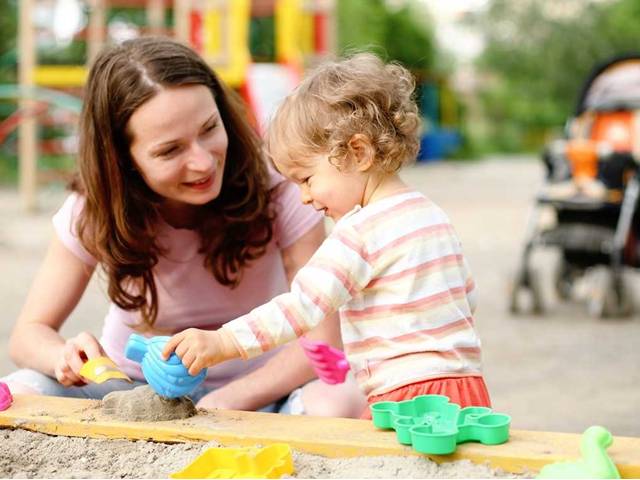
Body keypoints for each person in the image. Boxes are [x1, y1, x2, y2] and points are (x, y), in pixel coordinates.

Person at [2, 36, 366, 417]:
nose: (204, 163)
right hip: (129, 389)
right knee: (20, 389)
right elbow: (29, 333)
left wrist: (224, 402)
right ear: (123, 161)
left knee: (341, 398)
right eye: (170, 150)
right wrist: (63, 355)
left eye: (209, 128)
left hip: (259, 389)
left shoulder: (282, 187)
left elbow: (322, 343)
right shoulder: (93, 210)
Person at [162, 53, 492, 418]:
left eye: (307, 178)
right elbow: (465, 296)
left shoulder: (358, 232)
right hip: (466, 388)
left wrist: (223, 341)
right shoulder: (431, 215)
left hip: (404, 396)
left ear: (358, 152)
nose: (304, 196)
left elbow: (300, 308)